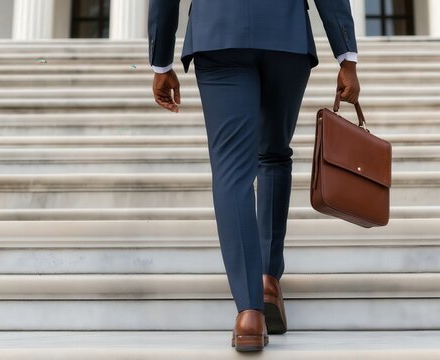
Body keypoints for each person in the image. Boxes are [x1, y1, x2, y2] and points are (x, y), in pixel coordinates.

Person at [148, 0, 360, 352]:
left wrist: (161, 61)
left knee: (232, 170)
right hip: (285, 35)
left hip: (218, 33)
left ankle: (249, 313)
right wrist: (346, 56)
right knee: (274, 154)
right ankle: (267, 282)